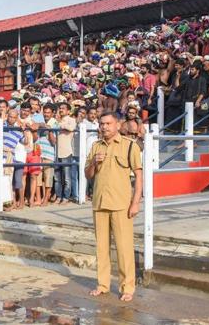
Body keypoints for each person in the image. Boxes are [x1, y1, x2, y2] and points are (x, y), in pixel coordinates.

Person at [85, 112, 142, 302]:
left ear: (118, 125)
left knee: (124, 247)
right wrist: (94, 162)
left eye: (108, 123)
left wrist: (135, 202)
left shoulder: (129, 146)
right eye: (102, 124)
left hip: (121, 204)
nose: (104, 127)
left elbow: (139, 176)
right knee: (101, 247)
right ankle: (102, 284)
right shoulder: (95, 146)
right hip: (100, 203)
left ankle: (127, 287)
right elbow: (88, 174)